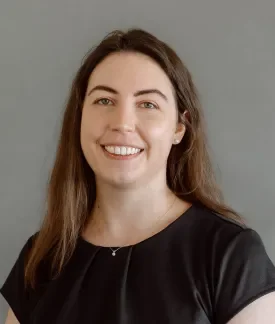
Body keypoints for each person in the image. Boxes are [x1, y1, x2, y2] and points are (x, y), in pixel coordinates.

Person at [1, 28, 275, 324]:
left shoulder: (229, 255)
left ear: (179, 128)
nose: (123, 123)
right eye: (104, 101)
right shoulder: (40, 258)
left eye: (148, 104)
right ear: (79, 118)